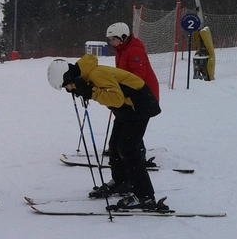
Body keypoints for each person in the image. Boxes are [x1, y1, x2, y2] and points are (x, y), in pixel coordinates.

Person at [47, 55, 165, 211]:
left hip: (139, 106)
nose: (68, 89)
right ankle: (122, 181)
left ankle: (145, 196)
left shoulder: (96, 74)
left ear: (69, 77)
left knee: (128, 148)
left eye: (66, 85)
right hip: (127, 109)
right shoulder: (86, 75)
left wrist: (91, 92)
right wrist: (87, 90)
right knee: (115, 146)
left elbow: (116, 99)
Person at [105, 22, 160, 170]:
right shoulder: (122, 50)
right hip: (133, 95)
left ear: (123, 37)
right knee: (129, 124)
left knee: (133, 125)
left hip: (144, 96)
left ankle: (137, 155)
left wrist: (120, 90)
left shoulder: (134, 51)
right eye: (110, 40)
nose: (111, 42)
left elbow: (138, 76)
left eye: (113, 39)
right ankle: (128, 151)